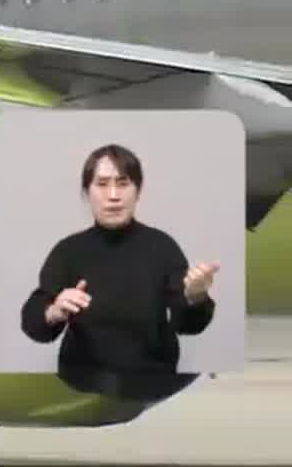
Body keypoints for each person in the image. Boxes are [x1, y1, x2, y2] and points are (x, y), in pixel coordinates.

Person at [19, 143, 216, 402]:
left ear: (138, 191)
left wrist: (196, 297)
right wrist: (53, 311)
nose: (113, 195)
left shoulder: (162, 247)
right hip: (83, 384)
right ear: (87, 191)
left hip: (151, 382)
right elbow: (34, 325)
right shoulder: (68, 251)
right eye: (101, 184)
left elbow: (188, 326)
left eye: (123, 184)